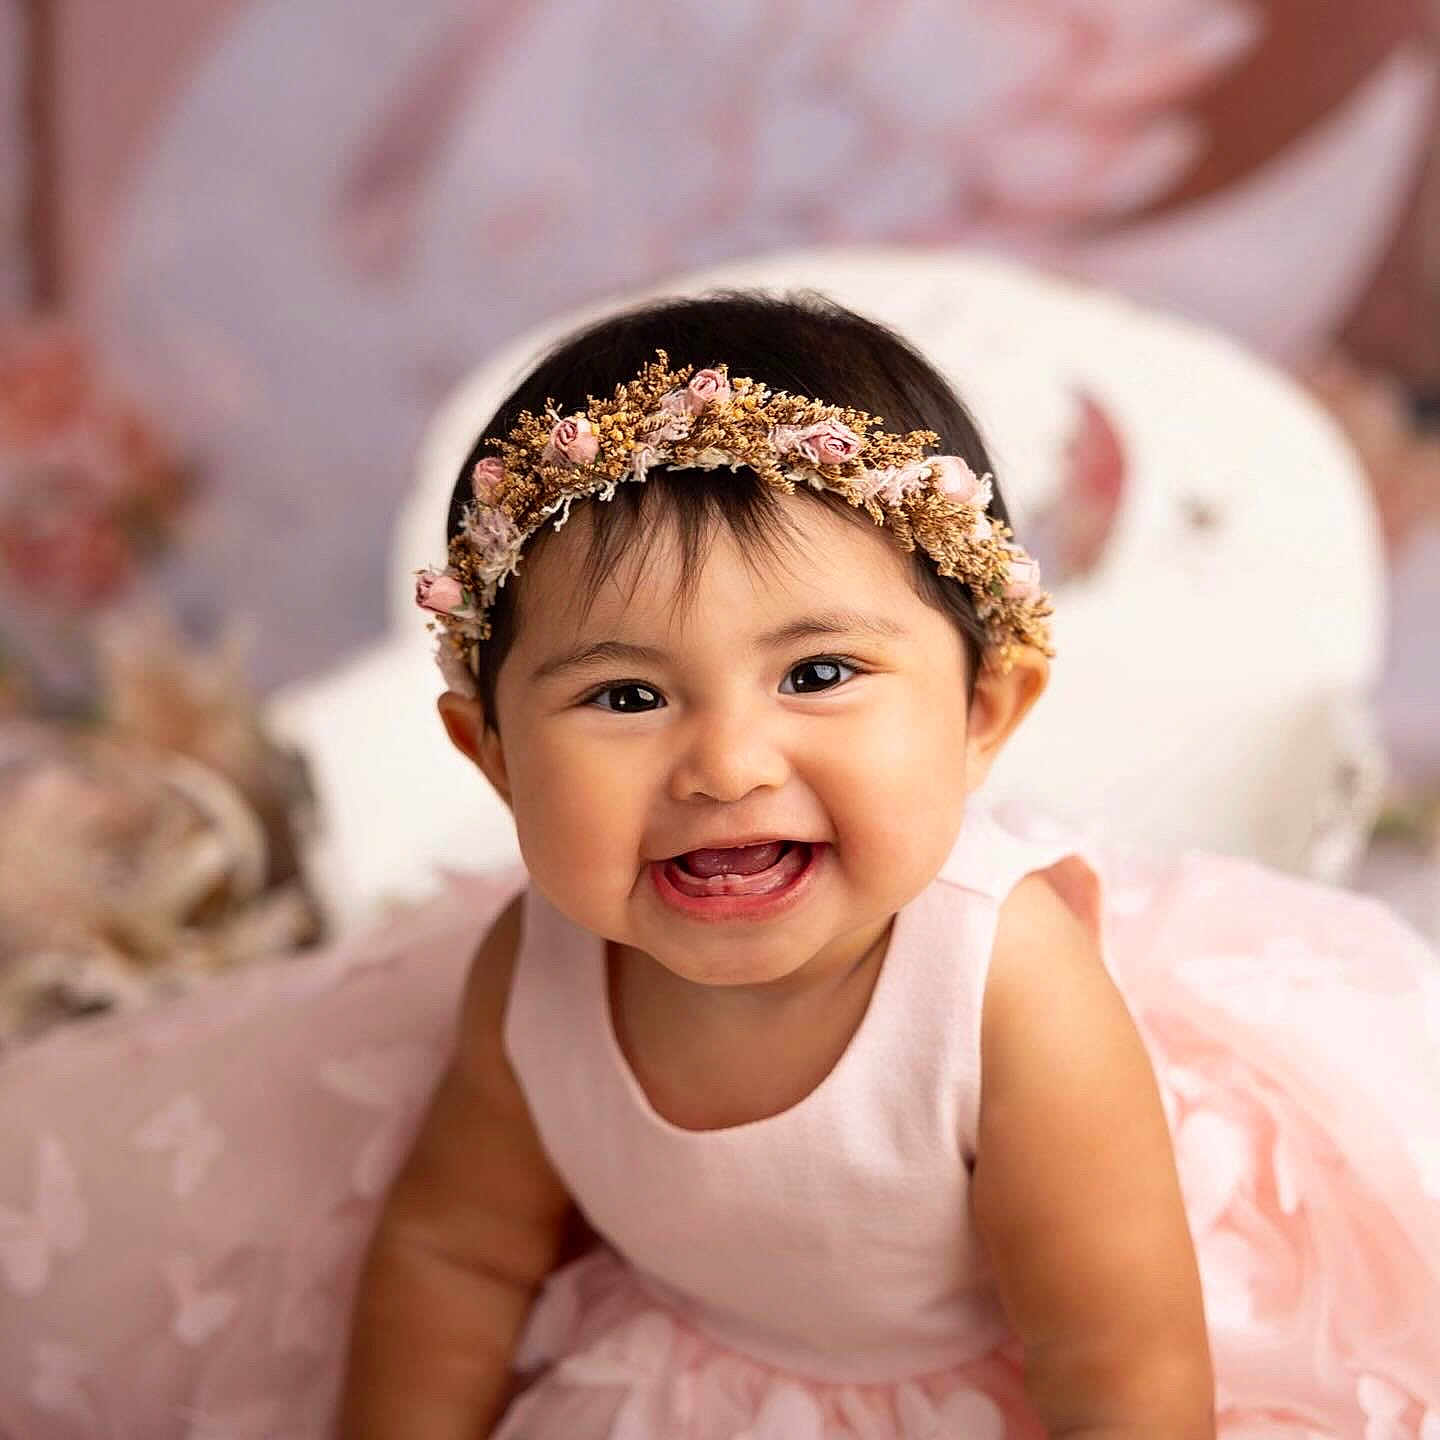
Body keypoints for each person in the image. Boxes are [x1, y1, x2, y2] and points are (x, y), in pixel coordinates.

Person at [337, 292, 1440, 1439]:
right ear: (494, 755)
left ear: (983, 710)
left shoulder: (1006, 990)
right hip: (687, 1366)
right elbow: (456, 1252)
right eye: (626, 696)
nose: (725, 766)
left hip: (1001, 1379)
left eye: (817, 674)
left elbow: (1118, 1362)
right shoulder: (534, 968)